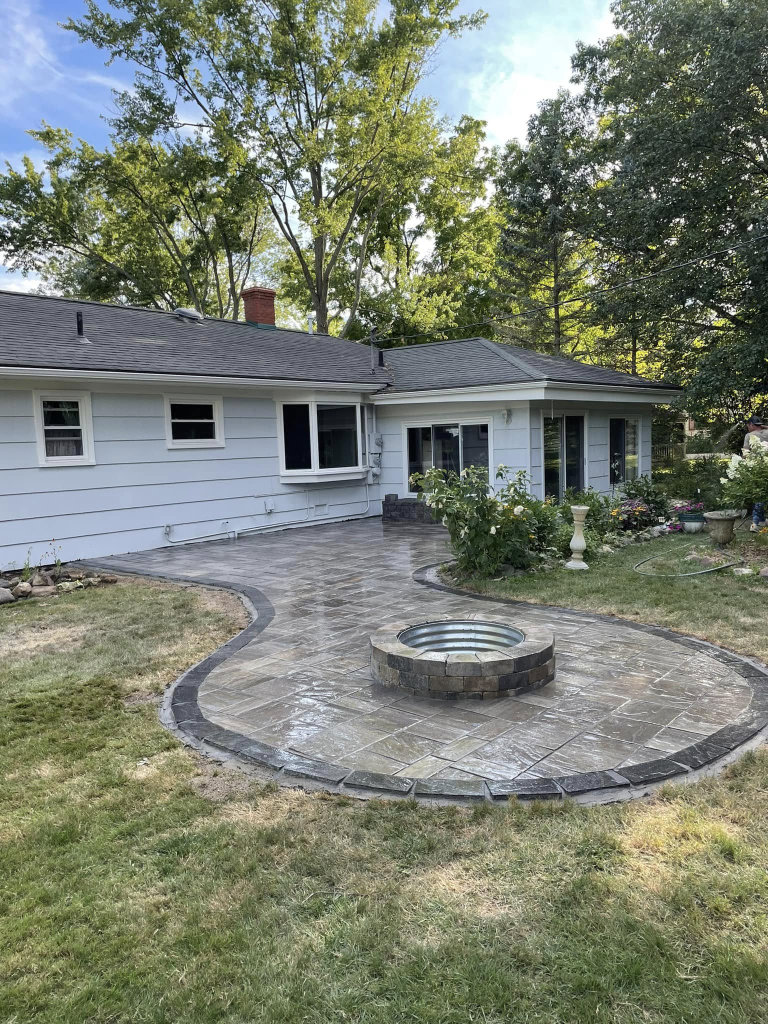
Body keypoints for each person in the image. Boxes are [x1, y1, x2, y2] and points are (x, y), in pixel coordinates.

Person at [743, 415, 768, 531]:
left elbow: (746, 453)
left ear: (751, 425)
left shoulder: (749, 435)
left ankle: (755, 524)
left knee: (758, 494)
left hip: (757, 468)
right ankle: (762, 521)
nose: (747, 428)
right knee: (764, 493)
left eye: (748, 425)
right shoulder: (767, 433)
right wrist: (763, 426)